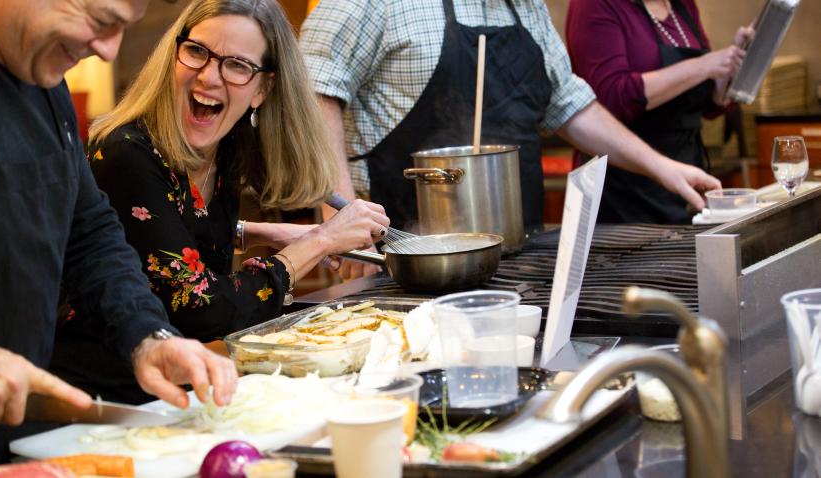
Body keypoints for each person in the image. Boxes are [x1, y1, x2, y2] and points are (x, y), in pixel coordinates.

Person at [50, 0, 391, 404]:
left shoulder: (223, 145)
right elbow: (202, 309)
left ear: (262, 89)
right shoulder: (127, 152)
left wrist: (254, 232)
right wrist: (318, 243)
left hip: (188, 383)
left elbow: (169, 231)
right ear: (173, 54)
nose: (210, 77)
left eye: (237, 65)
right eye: (197, 52)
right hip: (106, 399)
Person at [0, 0, 238, 466]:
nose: (109, 51)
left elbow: (88, 232)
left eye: (123, 29)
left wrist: (146, 335)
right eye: (100, 21)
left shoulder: (44, 83)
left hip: (9, 441)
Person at [299, 0, 723, 254]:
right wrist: (340, 216)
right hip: (405, 254)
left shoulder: (526, 6)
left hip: (518, 250)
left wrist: (662, 167)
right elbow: (314, 89)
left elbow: (569, 104)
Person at [566, 0, 754, 223]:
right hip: (621, 189)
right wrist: (703, 66)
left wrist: (733, 64)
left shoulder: (682, 5)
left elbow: (707, 101)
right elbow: (614, 98)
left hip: (684, 175)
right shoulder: (594, 5)